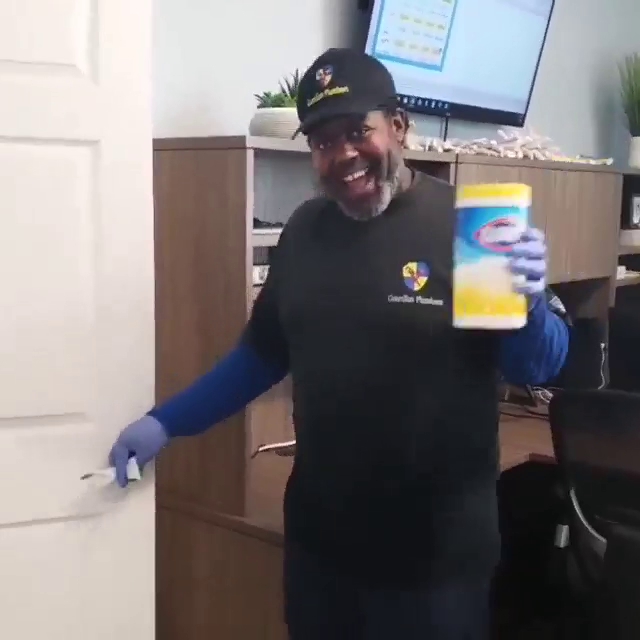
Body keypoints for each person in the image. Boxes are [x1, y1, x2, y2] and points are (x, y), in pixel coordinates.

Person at [109, 48, 569, 639]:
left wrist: (529, 303)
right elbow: (260, 357)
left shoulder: (467, 227)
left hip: (434, 565)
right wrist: (165, 422)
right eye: (324, 141)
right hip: (322, 554)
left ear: (398, 126)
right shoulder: (303, 232)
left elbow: (539, 364)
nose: (344, 154)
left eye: (358, 131)